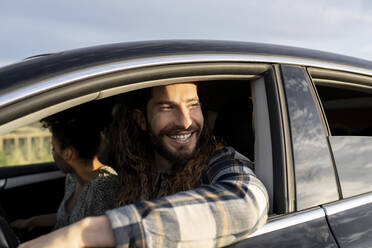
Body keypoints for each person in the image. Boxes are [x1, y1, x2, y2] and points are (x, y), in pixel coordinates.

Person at [19, 82, 269, 247]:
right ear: (142, 120)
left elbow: (247, 202)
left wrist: (80, 234)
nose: (185, 121)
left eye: (193, 105)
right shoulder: (137, 171)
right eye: (167, 107)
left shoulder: (217, 161)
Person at [12, 101, 120, 237]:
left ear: (68, 154)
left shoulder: (104, 185)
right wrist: (30, 222)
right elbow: (65, 219)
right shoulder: (73, 178)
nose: (52, 153)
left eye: (53, 148)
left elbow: (96, 236)